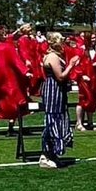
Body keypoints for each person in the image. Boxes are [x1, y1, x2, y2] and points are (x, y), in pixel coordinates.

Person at [38, 32, 79, 169]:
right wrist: (71, 65)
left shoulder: (55, 55)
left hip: (57, 91)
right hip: (53, 90)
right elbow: (60, 76)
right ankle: (46, 155)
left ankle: (52, 155)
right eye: (61, 40)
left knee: (58, 120)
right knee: (53, 121)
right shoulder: (52, 57)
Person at [0, 29, 31, 136]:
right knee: (15, 104)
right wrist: (25, 71)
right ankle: (10, 129)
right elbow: (16, 61)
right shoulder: (8, 48)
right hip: (11, 80)